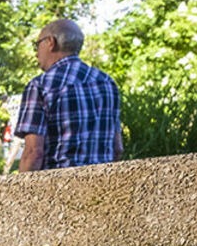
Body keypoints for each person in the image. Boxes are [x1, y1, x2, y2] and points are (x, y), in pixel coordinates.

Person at [13, 18, 123, 172]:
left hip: (57, 186)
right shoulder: (107, 83)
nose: (37, 54)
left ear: (51, 42)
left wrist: (21, 193)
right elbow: (117, 148)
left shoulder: (41, 85)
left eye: (37, 45)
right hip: (102, 184)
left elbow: (33, 153)